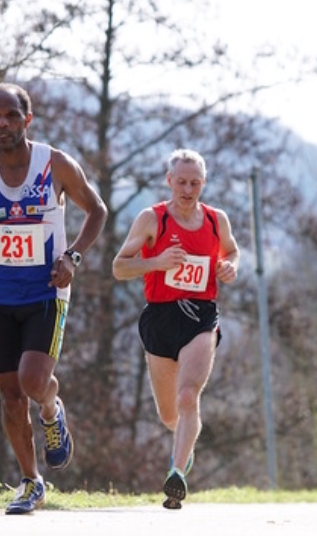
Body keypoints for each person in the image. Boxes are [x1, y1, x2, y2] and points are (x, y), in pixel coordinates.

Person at [0, 82, 108, 514]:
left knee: (33, 383)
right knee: (11, 396)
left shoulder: (55, 164)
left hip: (47, 288)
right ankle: (31, 481)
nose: (2, 124)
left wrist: (73, 256)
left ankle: (52, 410)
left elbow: (97, 210)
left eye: (11, 116)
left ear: (27, 119)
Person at [112, 148, 239, 509]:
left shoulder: (216, 220)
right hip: (160, 318)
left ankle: (177, 474)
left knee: (188, 397)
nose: (187, 189)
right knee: (170, 415)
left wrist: (230, 267)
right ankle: (185, 446)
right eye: (181, 182)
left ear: (204, 183)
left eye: (195, 183)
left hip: (201, 316)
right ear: (169, 181)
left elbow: (231, 251)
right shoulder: (152, 219)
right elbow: (119, 267)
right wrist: (156, 262)